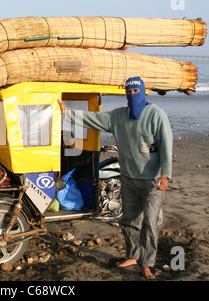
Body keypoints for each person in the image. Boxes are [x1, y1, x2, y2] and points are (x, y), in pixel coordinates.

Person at [58, 77, 172, 279]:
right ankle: (133, 255)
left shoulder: (156, 115)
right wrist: (67, 113)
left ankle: (147, 263)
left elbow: (165, 145)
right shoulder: (119, 116)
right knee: (129, 220)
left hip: (152, 181)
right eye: (128, 92)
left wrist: (165, 175)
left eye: (136, 92)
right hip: (128, 177)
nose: (132, 96)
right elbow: (95, 119)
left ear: (144, 92)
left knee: (150, 223)